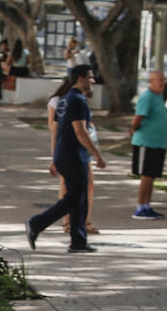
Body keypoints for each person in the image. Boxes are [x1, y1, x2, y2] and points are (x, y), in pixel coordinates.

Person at [25, 65, 106, 253]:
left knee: (79, 198)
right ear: (80, 79)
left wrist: (55, 157)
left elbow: (59, 130)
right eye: (90, 77)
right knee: (73, 198)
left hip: (65, 155)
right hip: (73, 156)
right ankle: (36, 223)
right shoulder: (77, 100)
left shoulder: (65, 100)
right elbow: (80, 131)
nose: (93, 81)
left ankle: (78, 241)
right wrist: (97, 155)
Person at [129, 70, 167, 219]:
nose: (162, 83)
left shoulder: (158, 97)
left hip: (158, 144)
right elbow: (138, 117)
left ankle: (147, 205)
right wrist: (133, 129)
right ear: (151, 82)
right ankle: (140, 207)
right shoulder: (147, 97)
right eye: (158, 80)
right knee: (146, 176)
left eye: (163, 80)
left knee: (152, 176)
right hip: (146, 143)